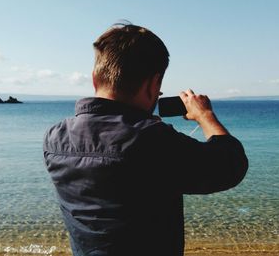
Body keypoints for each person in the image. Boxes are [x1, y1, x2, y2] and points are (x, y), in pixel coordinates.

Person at [43, 23, 248, 256]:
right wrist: (205, 116)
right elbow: (230, 166)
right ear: (153, 84)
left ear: (93, 79)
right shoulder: (150, 139)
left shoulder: (54, 137)